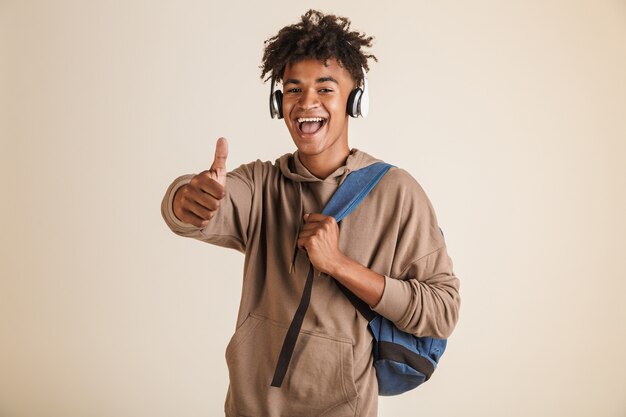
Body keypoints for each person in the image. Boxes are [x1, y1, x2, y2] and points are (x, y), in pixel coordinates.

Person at [161, 9, 460, 417]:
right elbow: (205, 207)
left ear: (356, 97)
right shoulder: (262, 184)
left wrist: (339, 265)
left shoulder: (397, 193)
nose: (306, 104)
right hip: (250, 408)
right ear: (277, 101)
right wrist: (186, 199)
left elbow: (442, 310)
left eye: (325, 88)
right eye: (293, 90)